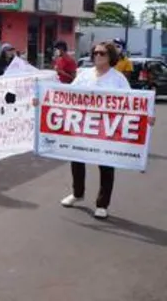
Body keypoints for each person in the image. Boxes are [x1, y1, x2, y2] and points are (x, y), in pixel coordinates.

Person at [58, 41, 155, 219]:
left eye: (102, 53)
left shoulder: (118, 79)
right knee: (77, 159)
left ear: (110, 56)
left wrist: (147, 117)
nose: (97, 56)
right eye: (95, 53)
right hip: (83, 127)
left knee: (106, 166)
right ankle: (77, 194)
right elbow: (66, 96)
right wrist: (41, 101)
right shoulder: (84, 75)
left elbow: (132, 104)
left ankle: (102, 204)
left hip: (107, 130)